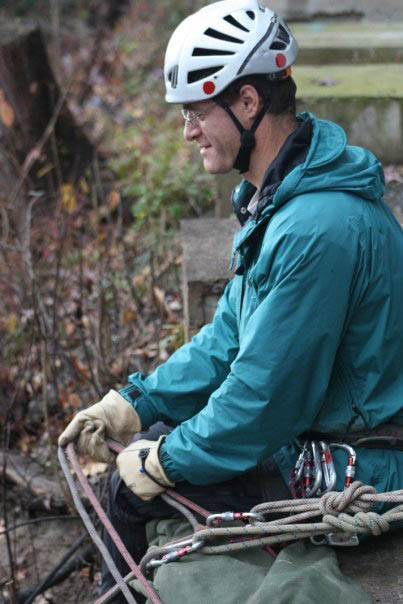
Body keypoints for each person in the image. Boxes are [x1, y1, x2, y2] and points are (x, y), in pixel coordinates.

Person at [58, 0, 403, 601]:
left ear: (248, 103)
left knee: (134, 491)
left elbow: (267, 398)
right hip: (319, 434)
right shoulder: (282, 198)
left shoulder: (317, 227)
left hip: (361, 465)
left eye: (196, 112)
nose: (187, 131)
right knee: (153, 447)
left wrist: (166, 460)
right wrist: (135, 402)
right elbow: (230, 338)